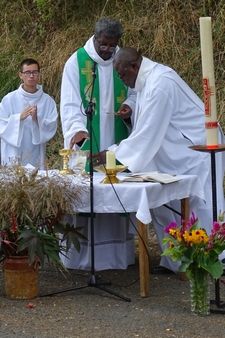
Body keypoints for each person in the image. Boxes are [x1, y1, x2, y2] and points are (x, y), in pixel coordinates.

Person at [96, 47, 225, 272]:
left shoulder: (161, 82)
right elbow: (144, 121)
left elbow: (147, 132)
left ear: (134, 67)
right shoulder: (146, 81)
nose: (121, 79)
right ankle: (175, 260)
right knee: (164, 203)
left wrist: (113, 154)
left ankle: (215, 258)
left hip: (196, 150)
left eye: (122, 74)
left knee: (202, 202)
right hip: (170, 150)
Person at [60, 18, 136, 270]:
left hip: (115, 139)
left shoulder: (121, 60)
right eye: (103, 44)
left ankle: (114, 257)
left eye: (112, 45)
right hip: (87, 140)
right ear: (95, 37)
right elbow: (69, 103)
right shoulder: (77, 61)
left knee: (114, 190)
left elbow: (135, 91)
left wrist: (129, 108)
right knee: (86, 196)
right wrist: (78, 131)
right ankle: (81, 259)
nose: (107, 50)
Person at [0, 58, 58, 169]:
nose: (31, 76)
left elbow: (52, 125)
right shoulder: (9, 99)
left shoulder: (47, 101)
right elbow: (1, 122)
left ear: (39, 74)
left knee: (35, 182)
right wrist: (18, 118)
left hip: (36, 149)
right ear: (20, 75)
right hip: (13, 150)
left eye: (35, 72)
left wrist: (37, 119)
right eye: (27, 72)